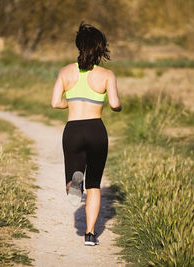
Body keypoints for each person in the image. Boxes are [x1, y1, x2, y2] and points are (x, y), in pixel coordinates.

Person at [51, 22, 121, 246]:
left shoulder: (65, 72)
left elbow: (54, 103)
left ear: (79, 46)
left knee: (72, 181)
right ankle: (90, 235)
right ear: (100, 49)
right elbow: (114, 104)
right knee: (95, 185)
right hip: (96, 130)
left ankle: (74, 186)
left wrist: (70, 104)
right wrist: (117, 107)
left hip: (73, 130)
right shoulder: (107, 75)